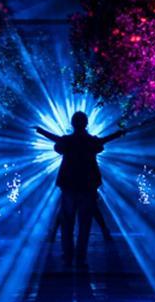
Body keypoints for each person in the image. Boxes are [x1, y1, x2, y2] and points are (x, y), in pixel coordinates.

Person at [35, 112, 126, 267]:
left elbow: (57, 142)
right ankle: (80, 256)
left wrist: (40, 131)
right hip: (87, 186)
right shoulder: (91, 142)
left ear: (72, 123)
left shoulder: (67, 141)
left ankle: (68, 254)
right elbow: (103, 141)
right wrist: (118, 133)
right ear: (86, 123)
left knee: (67, 222)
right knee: (85, 223)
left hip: (69, 186)